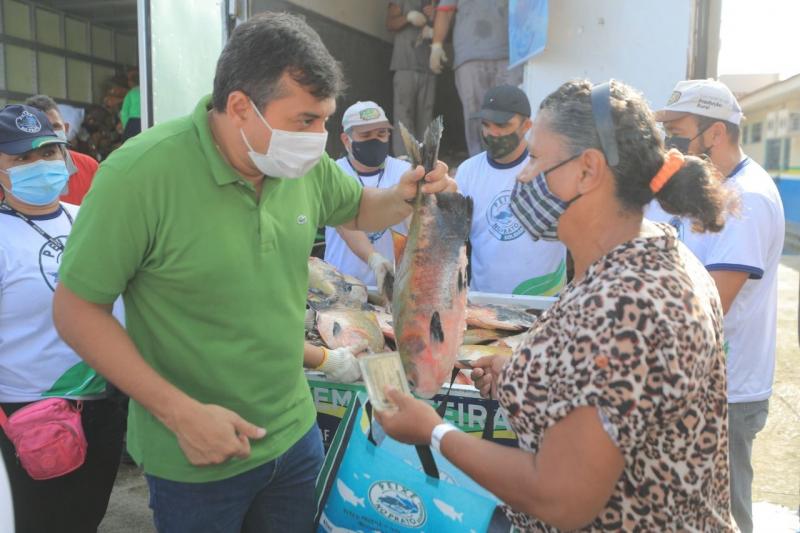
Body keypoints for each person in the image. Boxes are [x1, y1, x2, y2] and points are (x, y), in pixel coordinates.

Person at [52, 12, 453, 533]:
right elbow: (77, 310)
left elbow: (356, 208)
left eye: (325, 120)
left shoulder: (300, 166)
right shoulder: (140, 176)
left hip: (293, 433)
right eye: (305, 120)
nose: (319, 137)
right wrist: (179, 413)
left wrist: (403, 198)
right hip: (197, 455)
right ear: (241, 107)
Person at [376, 79, 737, 531]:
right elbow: (606, 388)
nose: (524, 176)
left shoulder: (628, 303)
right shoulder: (641, 259)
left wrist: (433, 430)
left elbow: (562, 499)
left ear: (587, 169)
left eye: (536, 159)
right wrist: (521, 377)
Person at [647, 79, 785, 533]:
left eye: (678, 129)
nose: (670, 140)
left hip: (727, 391)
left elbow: (711, 306)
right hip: (699, 381)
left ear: (716, 134)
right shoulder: (705, 185)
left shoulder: (747, 200)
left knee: (724, 514)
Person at [0, 104, 124, 532]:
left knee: (85, 518)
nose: (40, 165)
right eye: (21, 158)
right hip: (27, 413)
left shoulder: (90, 219)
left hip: (102, 402)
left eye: (49, 152)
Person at [456, 85, 566, 295]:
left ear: (527, 125)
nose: (492, 133)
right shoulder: (467, 171)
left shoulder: (551, 166)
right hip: (483, 305)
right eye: (486, 125)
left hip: (542, 302)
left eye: (502, 125)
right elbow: (455, 240)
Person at [324, 101, 410, 288]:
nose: (375, 140)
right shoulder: (333, 172)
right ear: (346, 140)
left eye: (381, 134)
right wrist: (374, 259)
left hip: (396, 288)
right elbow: (343, 221)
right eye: (365, 135)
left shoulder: (406, 172)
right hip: (342, 287)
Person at [430, 0, 523, 156]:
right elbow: (445, 11)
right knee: (475, 115)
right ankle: (480, 164)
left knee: (510, 113)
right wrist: (436, 45)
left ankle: (511, 163)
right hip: (469, 56)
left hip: (510, 55)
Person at [25, 94, 100, 205]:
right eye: (41, 128)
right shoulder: (16, 171)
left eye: (55, 126)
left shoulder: (89, 166)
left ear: (66, 128)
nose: (50, 134)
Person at [385, 1, 437, 157]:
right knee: (403, 117)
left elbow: (449, 29)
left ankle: (426, 162)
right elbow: (390, 23)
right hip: (404, 65)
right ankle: (404, 161)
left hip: (429, 68)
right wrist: (408, 17)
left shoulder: (436, 3)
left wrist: (434, 22)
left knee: (426, 119)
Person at [120, 68, 141, 141]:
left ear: (131, 82)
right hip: (145, 120)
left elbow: (124, 113)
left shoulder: (131, 93)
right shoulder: (146, 92)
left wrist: (126, 126)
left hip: (133, 122)